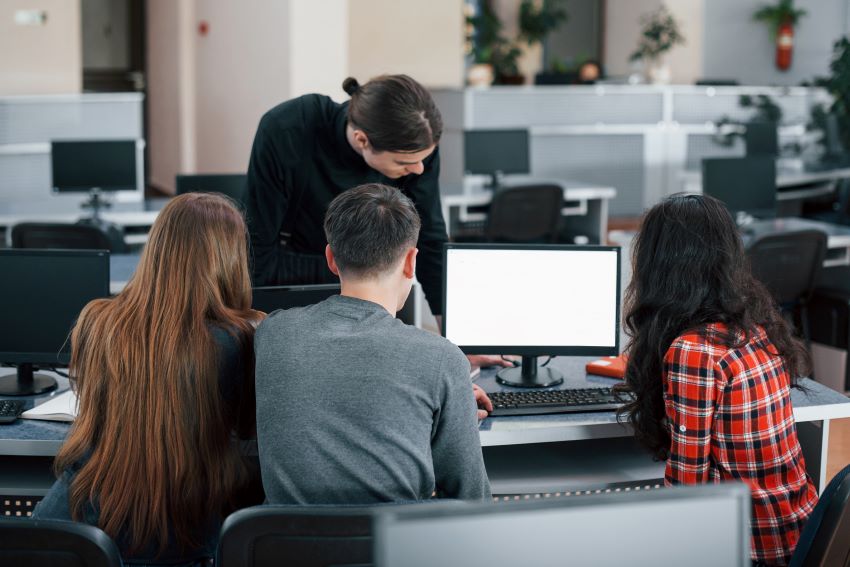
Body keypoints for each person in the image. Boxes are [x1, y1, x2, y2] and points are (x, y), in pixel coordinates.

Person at [33, 193, 262, 564]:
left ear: (158, 246)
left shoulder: (98, 322)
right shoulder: (243, 337)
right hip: (192, 535)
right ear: (230, 258)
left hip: (93, 526)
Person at [245, 73, 510, 370]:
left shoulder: (415, 149)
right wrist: (260, 339)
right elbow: (257, 244)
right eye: (404, 163)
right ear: (362, 140)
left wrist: (456, 341)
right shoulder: (288, 129)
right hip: (296, 284)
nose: (418, 169)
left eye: (424, 158)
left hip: (380, 288)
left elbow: (432, 240)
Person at [255, 183, 491, 504]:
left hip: (284, 549)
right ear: (411, 261)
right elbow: (471, 499)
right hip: (399, 551)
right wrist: (451, 405)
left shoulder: (272, 333)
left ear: (331, 259)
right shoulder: (441, 359)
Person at [621, 193, 818, 566]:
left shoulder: (696, 350)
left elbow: (687, 486)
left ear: (656, 263)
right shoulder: (755, 326)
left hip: (753, 546)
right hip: (797, 527)